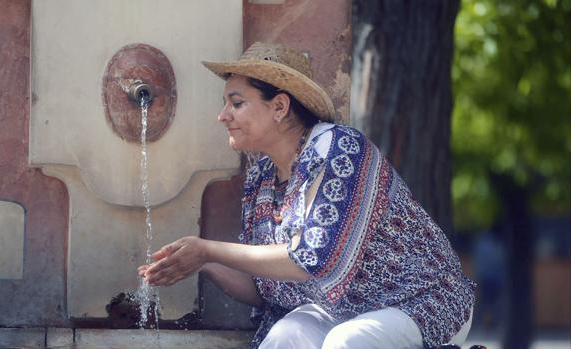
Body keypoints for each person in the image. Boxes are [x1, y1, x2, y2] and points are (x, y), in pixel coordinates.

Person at [138, 42, 476, 349]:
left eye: (236, 103)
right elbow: (266, 286)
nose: (222, 116)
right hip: (340, 308)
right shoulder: (263, 178)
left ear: (280, 107)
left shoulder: (339, 150)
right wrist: (204, 261)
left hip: (421, 302)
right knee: (285, 335)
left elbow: (311, 258)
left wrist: (208, 248)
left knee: (347, 342)